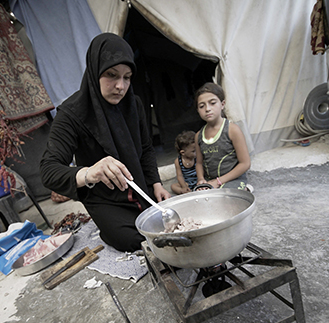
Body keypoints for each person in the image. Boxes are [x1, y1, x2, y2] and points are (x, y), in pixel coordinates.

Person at [39, 33, 171, 252]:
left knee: (166, 225)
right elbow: (48, 170)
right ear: (94, 70)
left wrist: (156, 184)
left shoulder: (134, 104)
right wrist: (90, 172)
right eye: (111, 74)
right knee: (129, 239)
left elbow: (146, 148)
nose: (120, 86)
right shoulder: (71, 114)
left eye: (127, 77)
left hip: (139, 186)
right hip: (105, 197)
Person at [194, 82, 251, 190]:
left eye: (212, 103)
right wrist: (201, 179)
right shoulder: (198, 136)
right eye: (202, 106)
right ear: (198, 110)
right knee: (201, 200)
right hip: (210, 181)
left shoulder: (232, 130)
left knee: (227, 199)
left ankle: (246, 189)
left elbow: (245, 163)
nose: (207, 109)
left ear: (222, 104)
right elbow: (199, 163)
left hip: (233, 179)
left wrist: (218, 181)